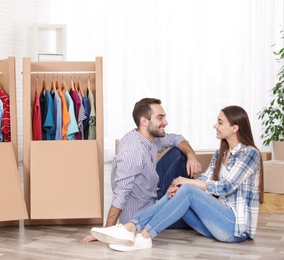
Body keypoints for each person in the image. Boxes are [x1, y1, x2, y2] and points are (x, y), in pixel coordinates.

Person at [90, 105, 264, 251]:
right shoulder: (221, 153)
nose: (214, 126)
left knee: (186, 188)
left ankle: (143, 235)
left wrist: (186, 181)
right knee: (177, 192)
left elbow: (226, 187)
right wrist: (179, 187)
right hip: (213, 225)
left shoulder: (249, 153)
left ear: (235, 128)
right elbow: (205, 178)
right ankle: (130, 227)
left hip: (233, 228)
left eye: (220, 122)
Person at [84, 98, 202, 242]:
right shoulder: (133, 151)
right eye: (160, 118)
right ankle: (187, 200)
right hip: (142, 214)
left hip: (153, 195)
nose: (165, 122)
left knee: (179, 153)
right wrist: (108, 231)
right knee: (199, 217)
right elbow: (120, 194)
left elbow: (176, 139)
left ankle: (187, 197)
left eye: (164, 117)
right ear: (144, 121)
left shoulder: (149, 138)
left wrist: (191, 156)